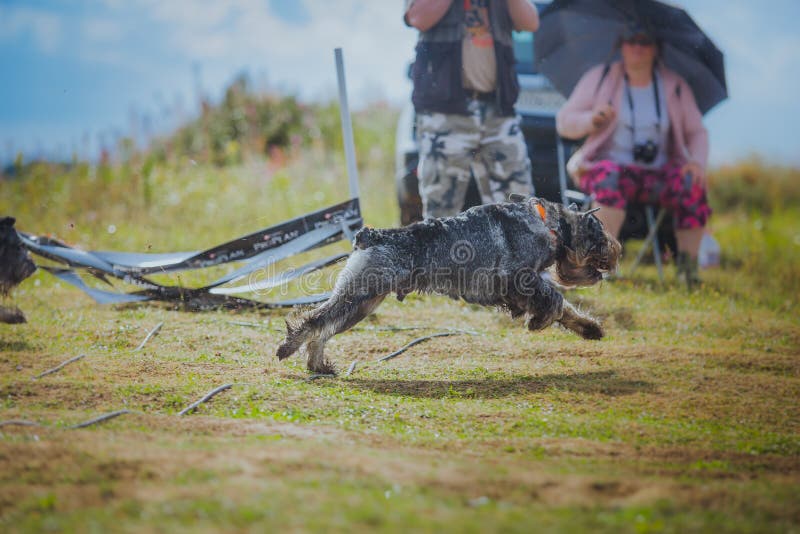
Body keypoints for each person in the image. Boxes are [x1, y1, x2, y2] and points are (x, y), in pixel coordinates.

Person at [556, 22, 711, 285]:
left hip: (658, 173)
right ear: (621, 45)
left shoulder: (674, 85)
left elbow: (697, 132)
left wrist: (696, 162)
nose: (638, 46)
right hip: (605, 167)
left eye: (645, 41)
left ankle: (688, 272)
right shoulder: (601, 76)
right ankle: (599, 267)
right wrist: (592, 119)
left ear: (656, 48)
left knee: (692, 187)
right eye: (631, 40)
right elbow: (565, 121)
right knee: (611, 177)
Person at [404, 0, 540, 218]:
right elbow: (418, 18)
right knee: (441, 211)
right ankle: (443, 253)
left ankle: (512, 252)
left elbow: (531, 22)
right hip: (445, 111)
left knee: (520, 210)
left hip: (497, 110)